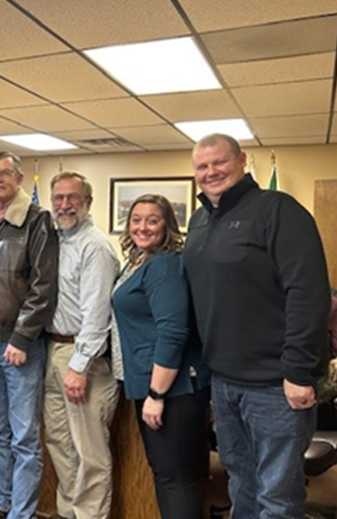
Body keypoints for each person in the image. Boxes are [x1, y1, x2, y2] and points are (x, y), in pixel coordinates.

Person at [184, 134, 330, 518]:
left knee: (277, 497)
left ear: (242, 160)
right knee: (240, 484)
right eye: (202, 166)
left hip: (275, 385)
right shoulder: (199, 221)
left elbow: (308, 292)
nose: (211, 172)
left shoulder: (278, 210)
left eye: (220, 162)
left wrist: (298, 371)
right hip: (224, 380)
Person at [0, 151, 59, 519]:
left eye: (4, 173)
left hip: (17, 345)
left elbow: (43, 286)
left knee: (23, 438)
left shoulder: (37, 220)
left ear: (19, 179)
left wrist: (22, 338)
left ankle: (21, 513)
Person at [111, 194, 211, 519]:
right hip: (153, 381)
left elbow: (173, 331)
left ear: (167, 224)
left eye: (152, 220)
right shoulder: (139, 259)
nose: (142, 226)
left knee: (173, 477)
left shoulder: (164, 265)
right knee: (171, 473)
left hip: (172, 387)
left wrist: (157, 394)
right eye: (136, 219)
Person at [43, 171, 120, 519]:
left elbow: (96, 312)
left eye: (73, 198)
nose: (64, 205)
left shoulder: (95, 246)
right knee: (59, 441)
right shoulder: (55, 240)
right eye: (58, 198)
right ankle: (68, 512)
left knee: (89, 451)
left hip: (82, 357)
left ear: (88, 202)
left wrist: (79, 366)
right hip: (54, 350)